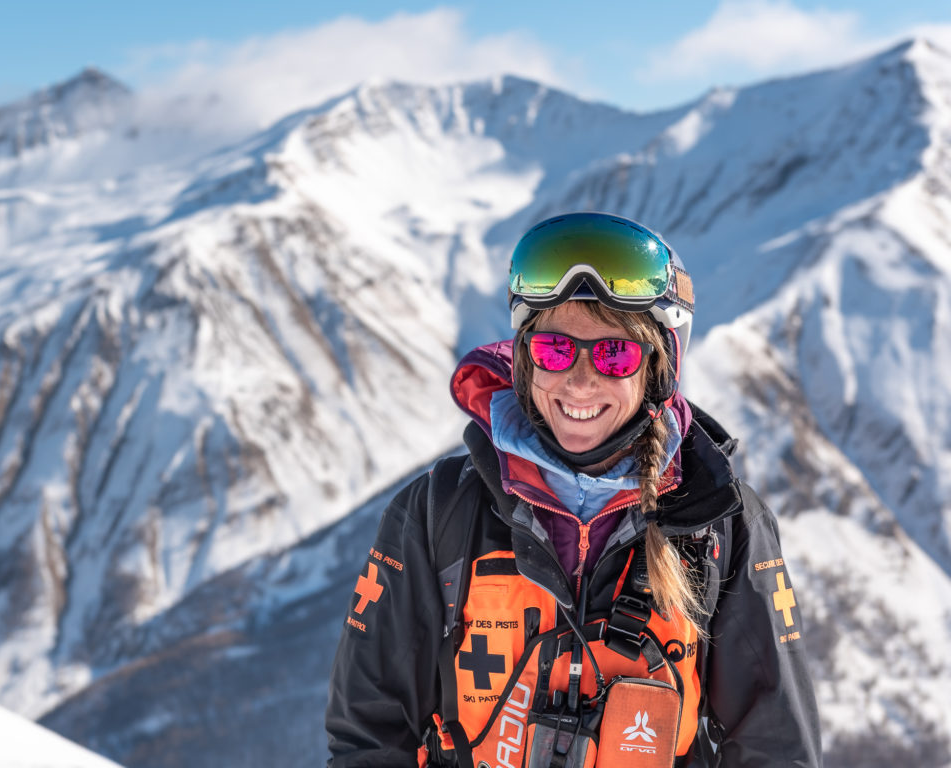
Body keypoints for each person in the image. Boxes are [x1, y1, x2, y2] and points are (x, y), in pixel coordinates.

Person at [326, 212, 821, 767]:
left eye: (615, 354)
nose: (580, 381)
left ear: (657, 370)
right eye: (555, 350)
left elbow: (775, 745)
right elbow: (369, 734)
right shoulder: (439, 515)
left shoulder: (719, 522)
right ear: (523, 361)